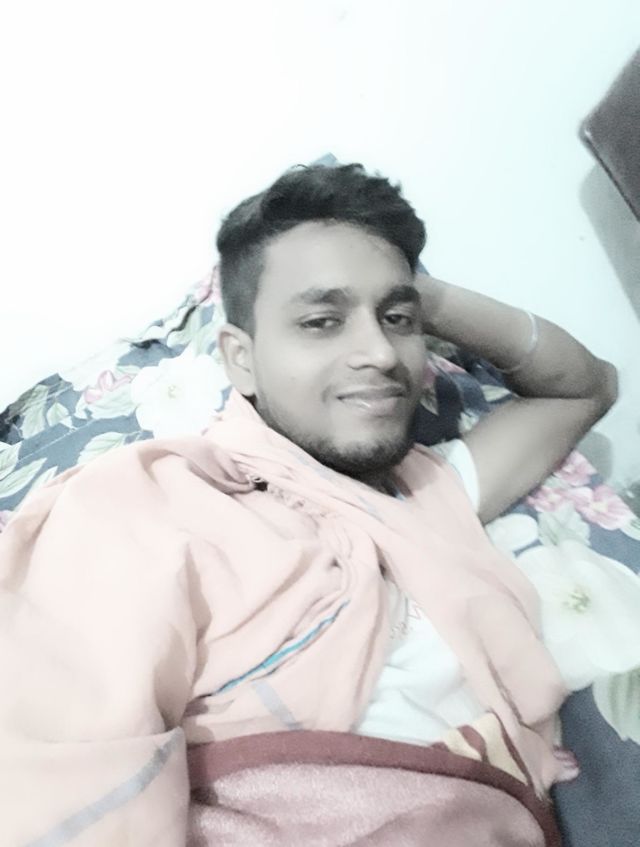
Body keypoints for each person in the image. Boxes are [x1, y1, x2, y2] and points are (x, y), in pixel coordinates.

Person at [0, 163, 617, 846]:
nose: (379, 352)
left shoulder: (425, 496)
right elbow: (62, 786)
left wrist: (421, 294)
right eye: (322, 321)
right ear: (240, 359)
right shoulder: (146, 503)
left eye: (396, 320)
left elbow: (584, 387)